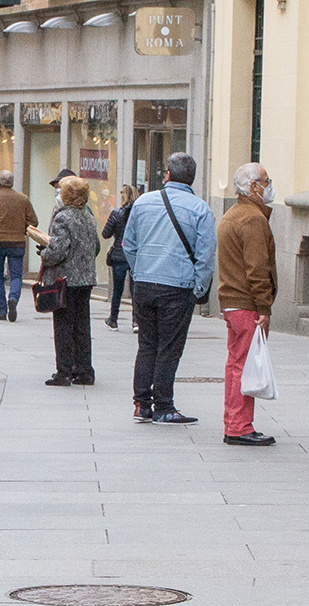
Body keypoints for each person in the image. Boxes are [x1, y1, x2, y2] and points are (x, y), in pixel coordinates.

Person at [119, 152, 215, 424]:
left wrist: (140, 272)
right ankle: (164, 406)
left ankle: (141, 404)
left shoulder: (143, 202)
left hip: (146, 285)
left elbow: (130, 244)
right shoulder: (200, 209)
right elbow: (206, 257)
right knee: (169, 348)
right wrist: (197, 287)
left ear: (168, 175)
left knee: (147, 344)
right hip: (177, 287)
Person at [217, 162, 277, 446]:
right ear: (254, 186)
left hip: (233, 301)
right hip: (246, 303)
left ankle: (235, 422)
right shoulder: (253, 219)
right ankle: (239, 426)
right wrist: (264, 308)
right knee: (244, 366)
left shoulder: (233, 214)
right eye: (266, 180)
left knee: (236, 364)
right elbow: (257, 269)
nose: (269, 185)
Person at [36, 175, 101, 387]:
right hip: (86, 278)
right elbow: (96, 247)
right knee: (82, 325)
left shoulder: (63, 218)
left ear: (66, 195)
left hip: (66, 279)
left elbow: (58, 250)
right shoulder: (88, 216)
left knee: (63, 325)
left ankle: (63, 371)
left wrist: (45, 251)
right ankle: (84, 370)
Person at [0, 170, 36, 322]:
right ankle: (14, 298)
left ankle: (2, 310)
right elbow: (33, 221)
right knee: (16, 275)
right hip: (17, 242)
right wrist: (21, 229)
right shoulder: (23, 199)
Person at [100, 182, 137, 329]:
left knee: (117, 290)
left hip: (119, 255)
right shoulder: (138, 213)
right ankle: (136, 321)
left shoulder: (116, 213)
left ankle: (113, 319)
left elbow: (105, 233)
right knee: (135, 290)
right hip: (135, 255)